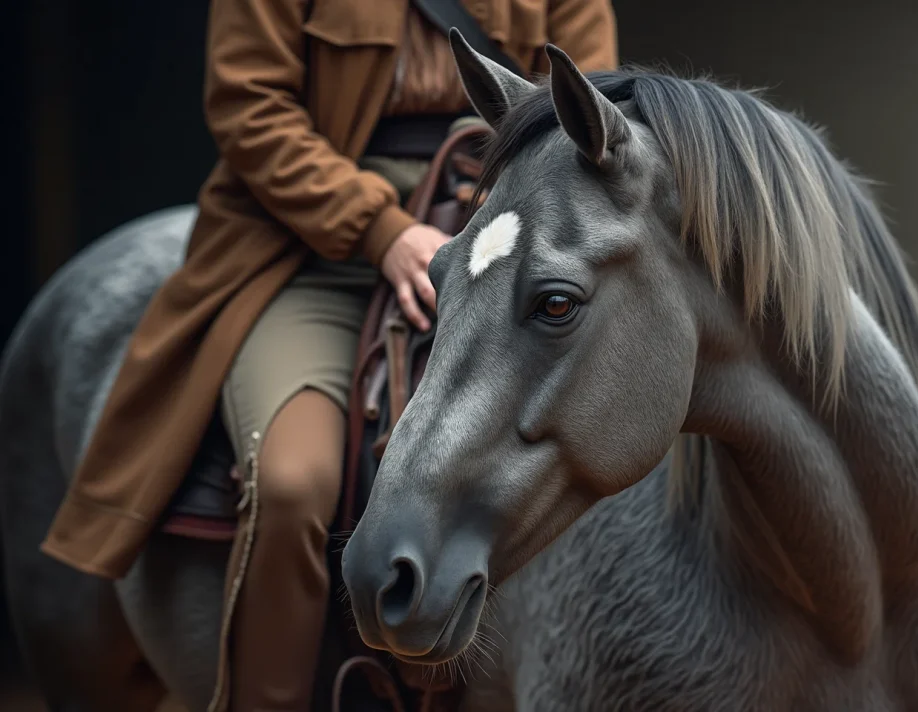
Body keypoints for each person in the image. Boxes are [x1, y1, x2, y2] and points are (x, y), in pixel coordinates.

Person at [40, 0, 619, 709]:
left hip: (501, 245)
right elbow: (250, 109)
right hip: (310, 248)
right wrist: (380, 230)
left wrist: (504, 220)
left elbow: (590, 103)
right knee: (293, 481)